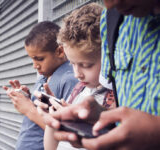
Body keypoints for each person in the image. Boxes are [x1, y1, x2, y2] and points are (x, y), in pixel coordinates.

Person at [41, 0, 160, 150]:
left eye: (86, 65)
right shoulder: (112, 21)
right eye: (72, 63)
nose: (110, 5)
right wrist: (101, 116)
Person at [34, 3, 115, 150]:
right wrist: (54, 120)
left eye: (86, 65)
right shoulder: (79, 90)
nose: (77, 74)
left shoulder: (117, 99)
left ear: (109, 57)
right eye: (72, 64)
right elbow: (50, 147)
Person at [3, 21, 78, 150]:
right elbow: (44, 111)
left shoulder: (69, 79)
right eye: (32, 59)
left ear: (60, 51)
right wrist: (27, 98)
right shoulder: (44, 76)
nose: (34, 65)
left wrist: (28, 109)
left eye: (40, 59)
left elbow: (64, 132)